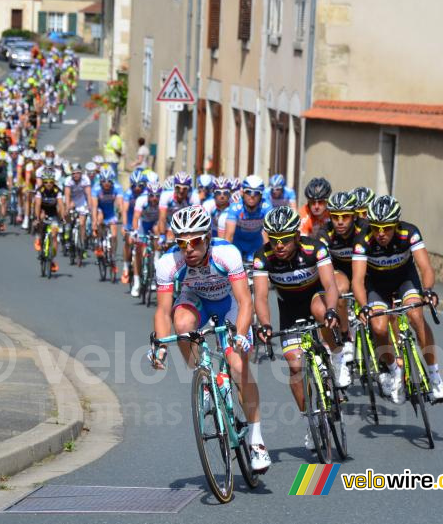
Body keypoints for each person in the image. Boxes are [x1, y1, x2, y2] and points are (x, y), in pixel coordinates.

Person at [150, 206, 271, 472]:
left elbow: (244, 301)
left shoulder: (226, 253)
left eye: (194, 241)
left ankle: (256, 441)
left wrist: (240, 334)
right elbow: (162, 311)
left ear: (207, 238)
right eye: (181, 242)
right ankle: (204, 377)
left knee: (239, 368)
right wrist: (160, 346)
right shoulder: (168, 263)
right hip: (197, 302)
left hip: (229, 304)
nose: (188, 248)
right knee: (181, 324)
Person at [253, 206, 350, 450]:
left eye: (285, 239)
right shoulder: (262, 257)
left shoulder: (314, 249)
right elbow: (262, 297)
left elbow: (329, 283)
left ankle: (337, 357)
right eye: (274, 240)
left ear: (296, 236)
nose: (279, 246)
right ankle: (311, 421)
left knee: (322, 312)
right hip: (289, 310)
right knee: (295, 367)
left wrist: (331, 310)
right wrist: (265, 325)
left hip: (315, 297)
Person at [351, 195, 443, 404]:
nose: (381, 233)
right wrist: (364, 306)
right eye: (376, 228)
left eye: (386, 228)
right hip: (377, 285)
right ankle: (394, 370)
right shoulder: (363, 240)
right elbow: (358, 280)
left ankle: (434, 375)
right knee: (378, 327)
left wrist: (428, 290)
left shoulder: (409, 232)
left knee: (415, 315)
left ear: (395, 224)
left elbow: (425, 267)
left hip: (405, 279)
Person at [318, 191, 365, 362]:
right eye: (335, 216)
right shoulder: (325, 232)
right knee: (340, 291)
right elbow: (322, 262)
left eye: (345, 216)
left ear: (354, 216)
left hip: (363, 268)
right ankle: (346, 335)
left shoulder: (365, 228)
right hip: (340, 269)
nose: (339, 221)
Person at [222, 175, 272, 262]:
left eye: (256, 193)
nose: (252, 196)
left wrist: (270, 256)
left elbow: (268, 235)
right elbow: (228, 236)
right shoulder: (235, 207)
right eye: (248, 192)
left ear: (261, 194)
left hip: (255, 244)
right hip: (237, 243)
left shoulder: (267, 206)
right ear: (242, 192)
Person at [130, 181, 163, 297]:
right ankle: (137, 282)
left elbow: (163, 219)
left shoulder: (162, 202)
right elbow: (135, 218)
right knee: (138, 250)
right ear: (148, 194)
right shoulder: (141, 200)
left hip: (155, 224)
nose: (154, 198)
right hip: (143, 225)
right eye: (152, 195)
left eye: (157, 196)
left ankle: (155, 269)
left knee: (157, 233)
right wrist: (134, 232)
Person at [34, 172, 66, 273]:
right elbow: (38, 205)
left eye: (51, 182)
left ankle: (51, 258)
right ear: (43, 182)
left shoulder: (57, 190)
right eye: (46, 182)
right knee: (41, 218)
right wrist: (37, 218)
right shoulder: (40, 190)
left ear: (53, 182)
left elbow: (61, 205)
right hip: (43, 210)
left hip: (53, 212)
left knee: (54, 234)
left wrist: (63, 218)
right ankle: (39, 237)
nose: (48, 184)